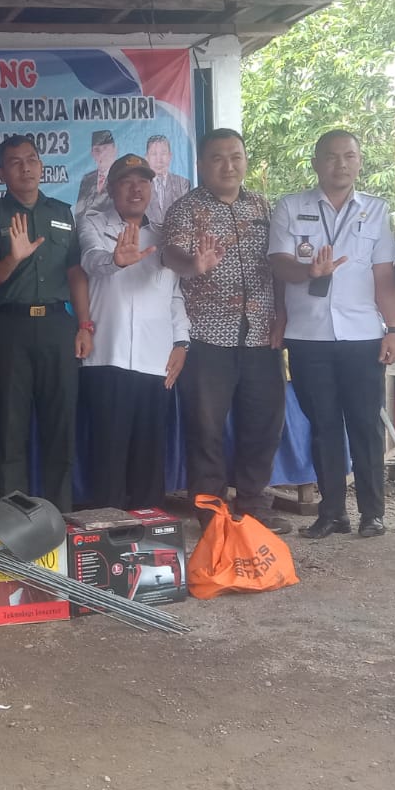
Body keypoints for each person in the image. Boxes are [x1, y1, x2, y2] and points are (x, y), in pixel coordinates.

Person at [269, 130, 395, 539]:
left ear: (360, 161)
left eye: (349, 156)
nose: (340, 164)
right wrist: (307, 271)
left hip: (362, 336)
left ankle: (372, 514)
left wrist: (393, 329)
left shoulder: (375, 210)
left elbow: (384, 275)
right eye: (330, 156)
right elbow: (278, 263)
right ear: (315, 163)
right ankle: (331, 513)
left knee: (365, 425)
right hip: (308, 335)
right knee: (323, 425)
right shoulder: (291, 207)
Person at [163, 129, 289, 533]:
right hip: (206, 337)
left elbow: (279, 263)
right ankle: (211, 509)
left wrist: (282, 313)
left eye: (236, 156)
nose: (228, 165)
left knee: (264, 423)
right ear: (201, 164)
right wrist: (194, 265)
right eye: (218, 158)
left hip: (260, 335)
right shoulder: (186, 208)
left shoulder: (262, 206)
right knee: (206, 428)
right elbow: (171, 254)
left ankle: (253, 504)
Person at [0, 135, 92, 513]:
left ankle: (60, 516)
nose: (25, 168)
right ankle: (15, 517)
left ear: (42, 166)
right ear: (1, 173)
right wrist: (12, 258)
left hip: (58, 326)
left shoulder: (62, 213)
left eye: (31, 160)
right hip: (10, 329)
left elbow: (75, 272)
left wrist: (84, 325)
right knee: (11, 429)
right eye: (15, 162)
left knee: (61, 426)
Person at [78, 154, 190, 510]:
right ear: (112, 189)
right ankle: (107, 528)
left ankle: (149, 529)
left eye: (143, 181)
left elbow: (175, 295)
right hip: (106, 357)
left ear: (152, 188)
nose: (136, 189)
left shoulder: (164, 237)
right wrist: (115, 260)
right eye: (127, 182)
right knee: (107, 455)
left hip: (155, 360)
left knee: (149, 456)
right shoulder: (93, 223)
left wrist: (182, 342)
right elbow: (91, 260)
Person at [145, 134, 193, 225]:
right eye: (154, 154)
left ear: (170, 156)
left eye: (163, 154)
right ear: (147, 157)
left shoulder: (183, 183)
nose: (159, 160)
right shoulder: (140, 185)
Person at [74, 129, 118, 220]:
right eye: (97, 150)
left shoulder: (123, 177)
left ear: (114, 150)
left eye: (105, 148)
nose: (101, 154)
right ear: (92, 153)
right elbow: (79, 212)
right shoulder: (87, 179)